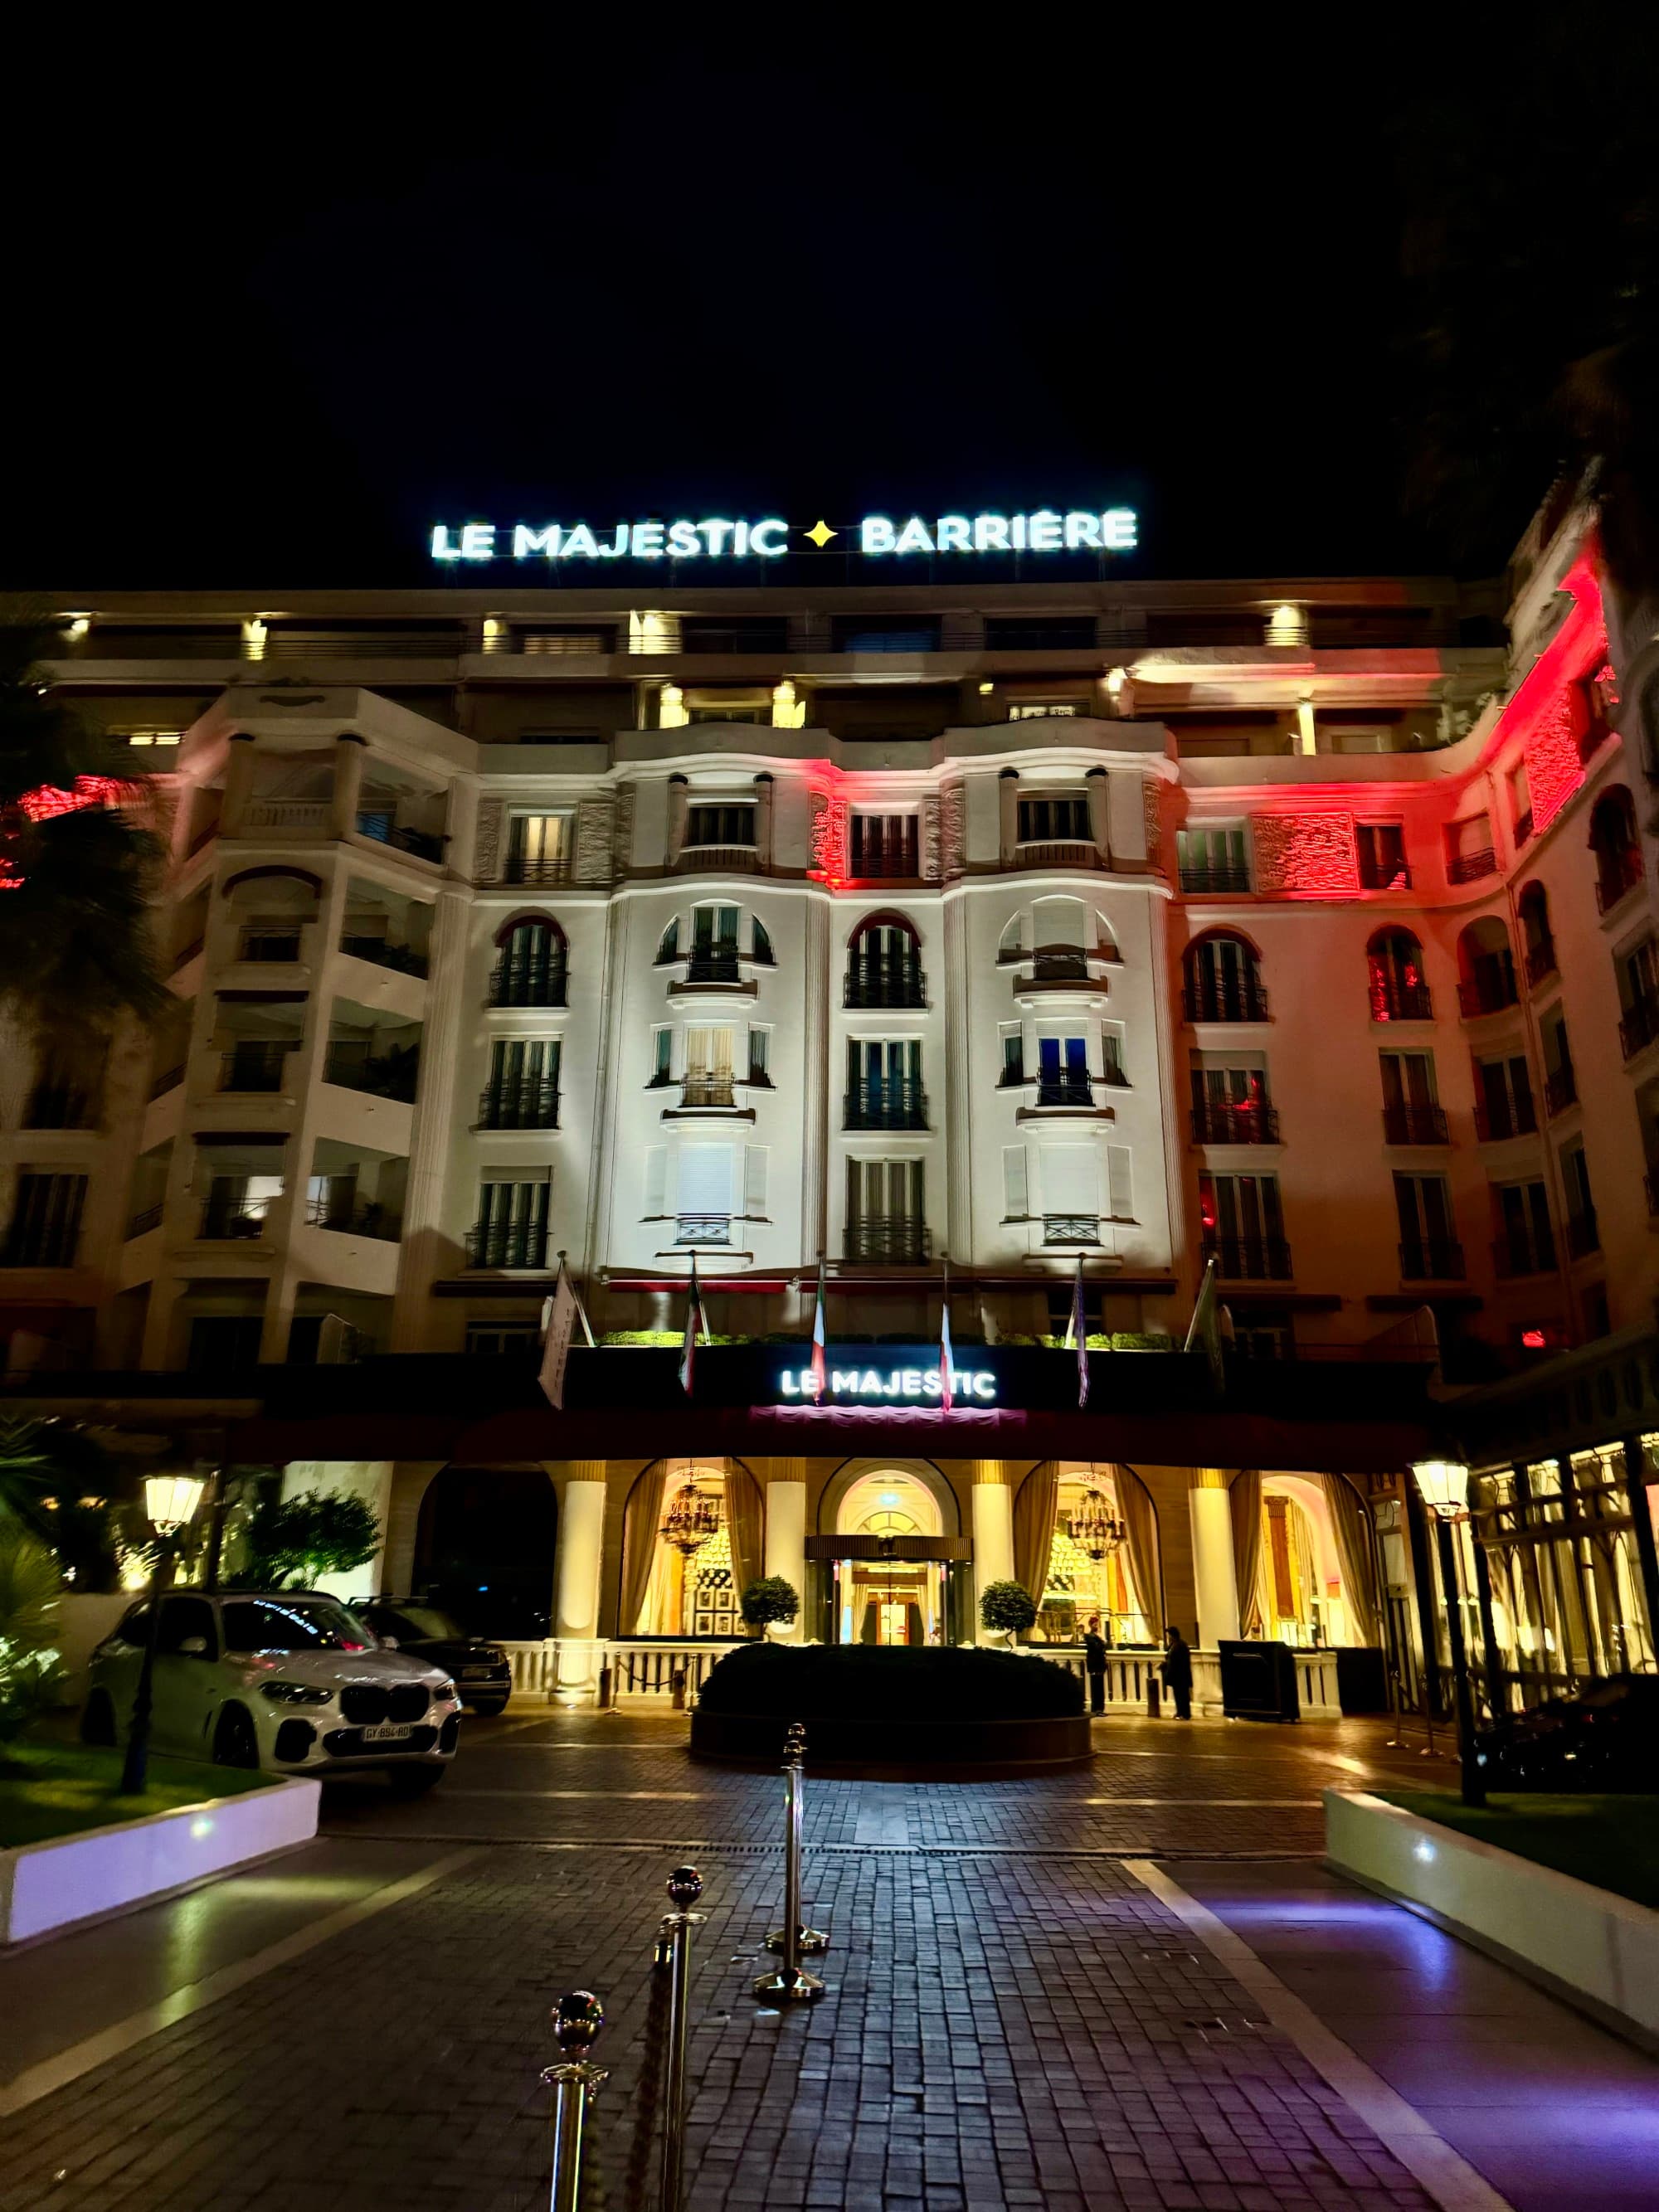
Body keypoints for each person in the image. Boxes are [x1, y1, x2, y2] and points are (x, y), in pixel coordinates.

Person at [1160, 1624, 1193, 1720]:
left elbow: (1179, 1661)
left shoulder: (1180, 1645)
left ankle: (1184, 1713)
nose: (1168, 1637)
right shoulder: (1174, 1645)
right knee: (1179, 1695)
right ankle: (1180, 1712)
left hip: (1180, 1676)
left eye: (1169, 1634)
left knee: (1182, 1695)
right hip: (1177, 1676)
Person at [1082, 1615, 1109, 1714]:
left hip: (1099, 1665)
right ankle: (1097, 1709)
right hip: (1095, 1665)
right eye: (1094, 1624)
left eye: (1097, 1624)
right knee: (1096, 1688)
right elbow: (1097, 1648)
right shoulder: (1090, 1637)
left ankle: (1099, 1709)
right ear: (1091, 1625)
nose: (1096, 1626)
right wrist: (1102, 1641)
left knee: (1099, 1688)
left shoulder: (1095, 1637)